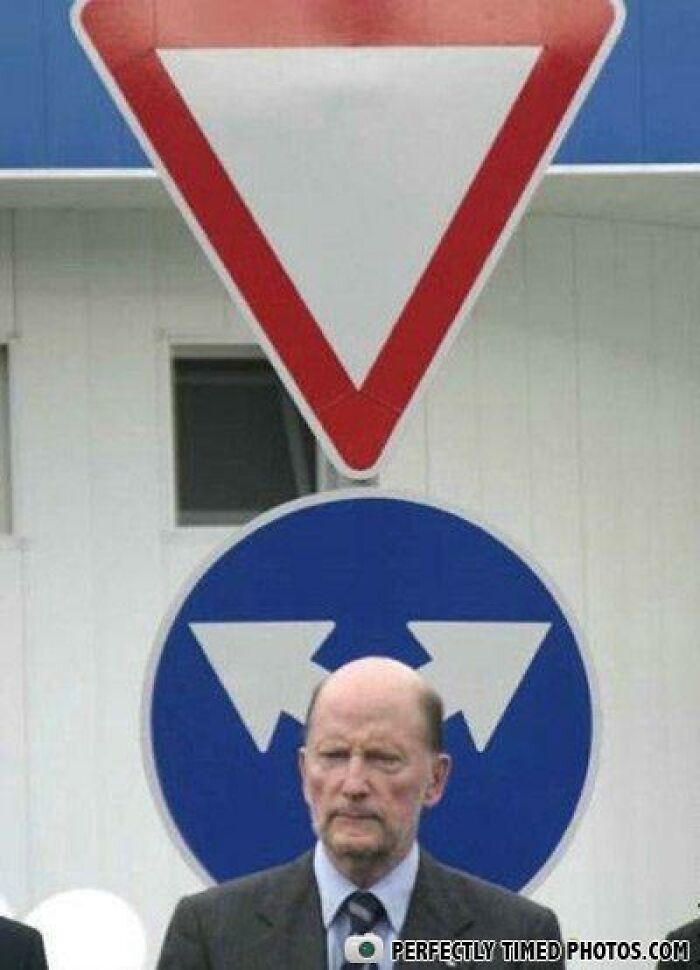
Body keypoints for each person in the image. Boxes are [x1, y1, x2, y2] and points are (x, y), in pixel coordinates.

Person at [157, 656, 564, 969]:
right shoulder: (211, 934)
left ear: (436, 780)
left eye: (383, 758)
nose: (353, 785)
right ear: (303, 772)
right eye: (333, 756)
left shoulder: (518, 941)